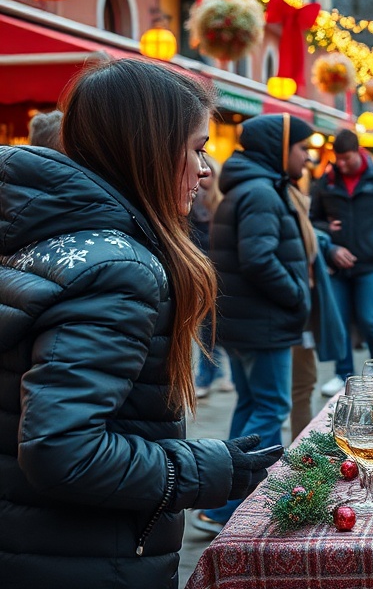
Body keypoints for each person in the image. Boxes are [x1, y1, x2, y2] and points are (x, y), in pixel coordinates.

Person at [0, 59, 281, 587]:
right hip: (82, 559)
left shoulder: (65, 238)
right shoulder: (119, 270)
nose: (206, 168)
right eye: (198, 147)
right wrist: (204, 469)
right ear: (148, 148)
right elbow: (63, 451)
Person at [197, 113, 315, 534]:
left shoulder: (251, 187)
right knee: (270, 407)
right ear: (280, 149)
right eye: (302, 149)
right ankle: (227, 507)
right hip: (262, 323)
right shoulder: (262, 192)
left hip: (246, 321)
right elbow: (260, 258)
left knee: (250, 406)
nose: (307, 157)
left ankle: (220, 501)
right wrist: (298, 295)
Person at [311, 129, 373, 396]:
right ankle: (343, 374)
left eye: (347, 159)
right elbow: (311, 220)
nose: (342, 164)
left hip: (370, 264)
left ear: (359, 152)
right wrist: (329, 238)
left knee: (369, 320)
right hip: (337, 265)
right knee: (339, 321)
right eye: (338, 159)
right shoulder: (326, 182)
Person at [190, 156, 233, 398]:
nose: (204, 174)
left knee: (220, 327)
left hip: (223, 273)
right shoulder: (191, 201)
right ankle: (207, 376)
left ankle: (220, 374)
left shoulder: (224, 203)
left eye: (209, 171)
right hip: (202, 273)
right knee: (206, 327)